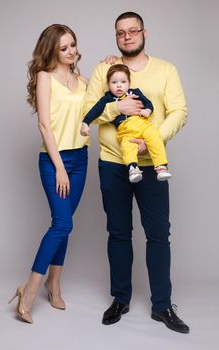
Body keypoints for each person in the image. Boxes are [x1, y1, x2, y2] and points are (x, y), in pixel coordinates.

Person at [83, 12, 190, 333]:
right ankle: (120, 298)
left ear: (144, 33)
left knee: (159, 235)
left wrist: (152, 138)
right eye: (120, 33)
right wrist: (117, 108)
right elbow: (89, 111)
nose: (127, 37)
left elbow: (179, 111)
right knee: (118, 233)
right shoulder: (104, 69)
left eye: (132, 31)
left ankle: (162, 306)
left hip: (152, 166)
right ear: (116, 37)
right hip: (112, 164)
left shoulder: (166, 69)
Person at [8, 24, 89, 323]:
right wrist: (59, 168)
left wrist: (110, 63)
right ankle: (29, 290)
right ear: (52, 50)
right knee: (62, 222)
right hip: (55, 160)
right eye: (64, 48)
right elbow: (44, 125)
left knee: (65, 224)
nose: (71, 52)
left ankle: (55, 285)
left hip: (81, 158)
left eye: (73, 45)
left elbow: (110, 90)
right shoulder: (45, 78)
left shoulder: (82, 80)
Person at [81, 64, 171, 182]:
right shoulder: (107, 98)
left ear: (129, 82)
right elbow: (95, 110)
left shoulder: (135, 92)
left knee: (155, 138)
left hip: (143, 124)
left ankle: (161, 166)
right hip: (126, 129)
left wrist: (147, 110)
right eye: (114, 82)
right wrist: (85, 122)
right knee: (126, 146)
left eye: (123, 82)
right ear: (108, 84)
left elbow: (148, 103)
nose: (119, 85)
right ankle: (133, 168)